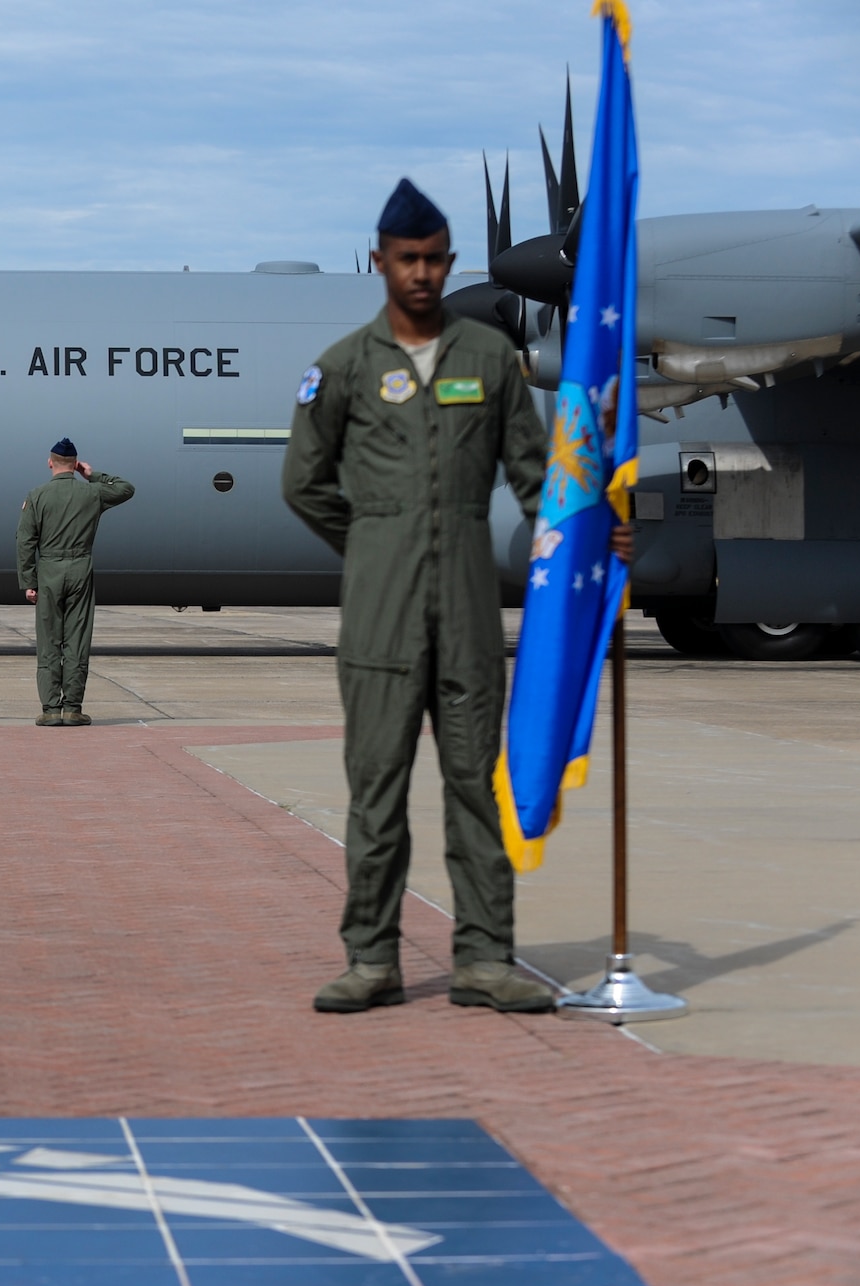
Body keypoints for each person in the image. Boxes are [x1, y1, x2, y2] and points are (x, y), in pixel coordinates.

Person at [284, 176, 572, 1015]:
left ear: (448, 264)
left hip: (470, 618)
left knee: (480, 791)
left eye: (435, 258)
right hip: (378, 621)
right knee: (376, 792)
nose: (421, 271)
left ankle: (485, 959)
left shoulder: (489, 362)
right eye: (406, 258)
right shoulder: (341, 367)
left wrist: (587, 532)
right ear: (381, 261)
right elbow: (304, 484)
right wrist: (376, 543)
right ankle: (371, 959)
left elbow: (535, 478)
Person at [15, 439, 133, 726]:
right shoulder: (91, 492)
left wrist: (28, 581)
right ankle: (73, 708)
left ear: (50, 461)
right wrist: (91, 474)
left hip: (49, 570)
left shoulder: (37, 495)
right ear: (75, 464)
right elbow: (126, 489)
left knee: (49, 641)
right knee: (77, 640)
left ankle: (50, 710)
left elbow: (25, 541)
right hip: (81, 567)